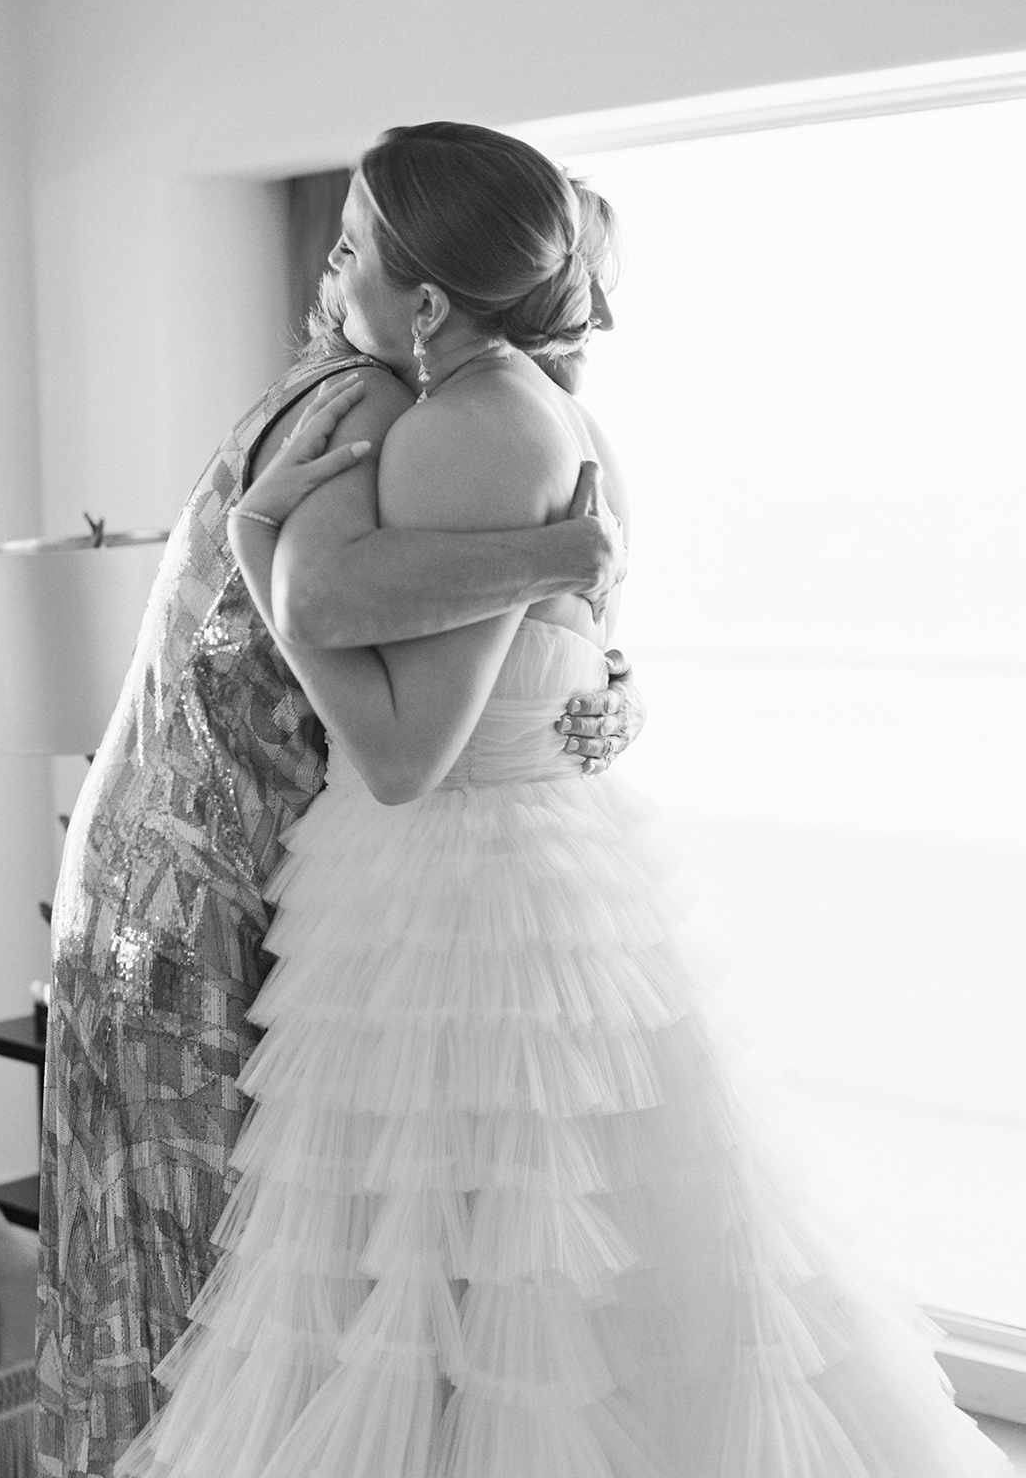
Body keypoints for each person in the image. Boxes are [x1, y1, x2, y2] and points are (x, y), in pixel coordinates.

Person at [117, 122, 1009, 1478]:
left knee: (473, 1278)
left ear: (424, 300)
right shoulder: (542, 406)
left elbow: (407, 754)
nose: (331, 269)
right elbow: (570, 633)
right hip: (520, 856)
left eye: (352, 246)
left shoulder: (460, 430)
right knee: (515, 1276)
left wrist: (260, 549)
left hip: (456, 885)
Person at [35, 183, 641, 1476]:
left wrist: (589, 709)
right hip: (213, 888)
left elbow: (568, 674)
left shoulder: (454, 416)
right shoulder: (384, 413)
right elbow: (384, 702)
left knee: (273, 1289)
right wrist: (554, 573)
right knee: (240, 1299)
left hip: (185, 873)